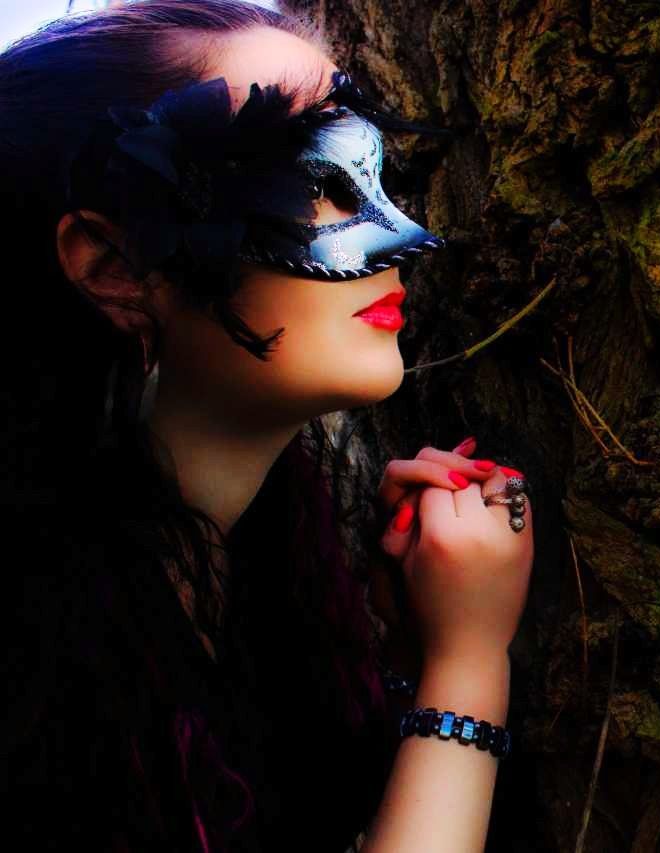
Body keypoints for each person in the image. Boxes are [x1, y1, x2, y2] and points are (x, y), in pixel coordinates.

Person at [0, 2, 535, 851]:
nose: (403, 235)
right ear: (113, 265)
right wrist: (468, 664)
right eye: (309, 182)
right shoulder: (30, 663)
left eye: (375, 172)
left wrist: (394, 645)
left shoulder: (262, 569)